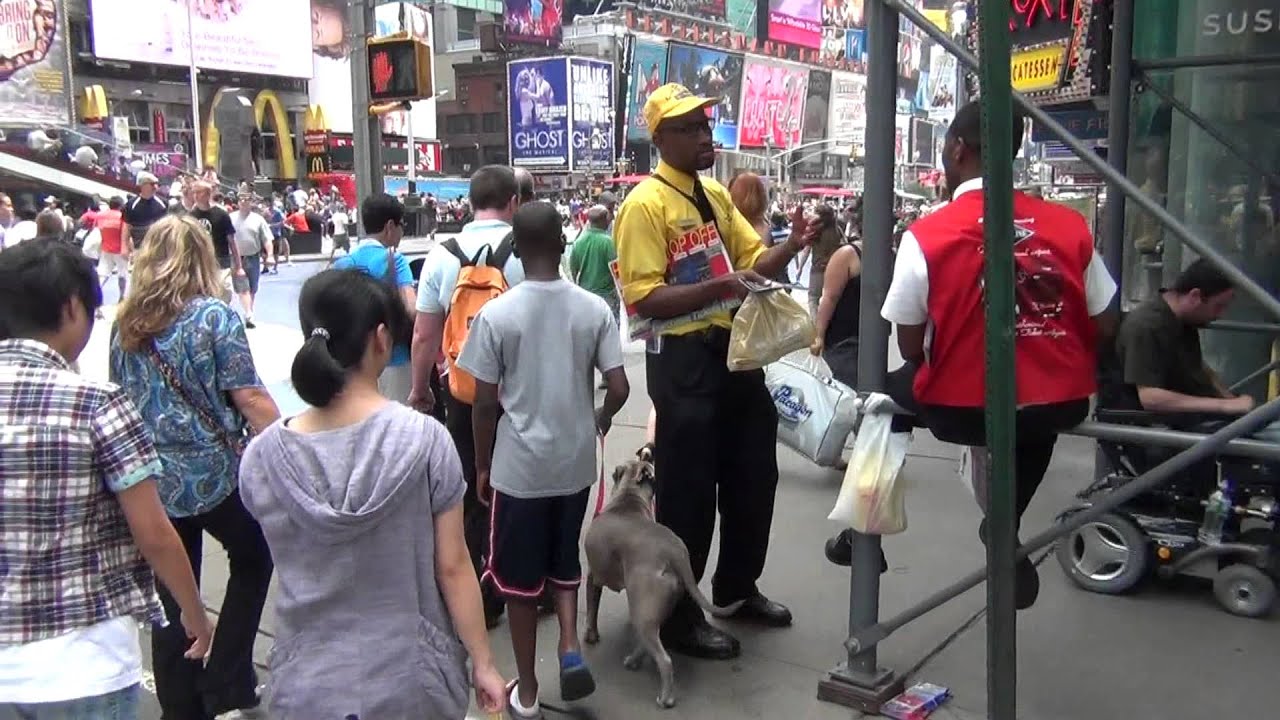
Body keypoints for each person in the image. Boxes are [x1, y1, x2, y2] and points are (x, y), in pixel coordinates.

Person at [877, 100, 1117, 609]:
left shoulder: (926, 236)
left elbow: (909, 345)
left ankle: (863, 524)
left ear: (957, 149)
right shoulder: (1069, 226)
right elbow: (1104, 322)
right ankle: (1005, 526)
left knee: (880, 400)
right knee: (1032, 419)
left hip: (961, 408)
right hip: (1058, 401)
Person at [237, 269, 506, 719]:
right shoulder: (425, 441)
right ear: (381, 338)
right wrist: (484, 663)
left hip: (305, 686)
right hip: (412, 681)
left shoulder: (261, 459)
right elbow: (454, 567)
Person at [613, 83, 813, 660]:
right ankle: (679, 616)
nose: (706, 136)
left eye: (706, 125)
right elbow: (643, 297)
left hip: (734, 355)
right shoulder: (645, 205)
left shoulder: (716, 196)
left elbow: (754, 263)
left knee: (754, 477)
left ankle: (737, 587)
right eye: (692, 128)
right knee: (689, 494)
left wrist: (792, 246)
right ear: (661, 139)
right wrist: (722, 285)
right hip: (683, 361)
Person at [0, 240, 213, 720]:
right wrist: (193, 613)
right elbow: (154, 532)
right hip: (83, 661)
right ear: (72, 308)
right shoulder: (97, 403)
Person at [459, 201, 629, 718]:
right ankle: (570, 644)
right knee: (563, 556)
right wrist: (598, 419)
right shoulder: (593, 309)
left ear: (515, 247)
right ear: (562, 245)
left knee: (517, 581)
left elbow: (483, 403)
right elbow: (619, 387)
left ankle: (529, 692)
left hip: (520, 469)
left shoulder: (496, 314)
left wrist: (482, 465)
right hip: (575, 464)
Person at [109, 215, 280, 719]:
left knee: (170, 588)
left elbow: (119, 399)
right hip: (214, 473)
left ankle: (181, 704)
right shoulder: (214, 317)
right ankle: (227, 675)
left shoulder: (125, 324)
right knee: (254, 557)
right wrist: (288, 442)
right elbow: (248, 396)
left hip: (152, 480)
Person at [409, 166, 527, 627]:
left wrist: (420, 388)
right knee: (512, 485)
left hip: (460, 388)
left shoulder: (442, 255)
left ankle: (473, 583)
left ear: (471, 203)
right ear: (514, 202)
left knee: (466, 483)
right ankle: (512, 581)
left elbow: (425, 334)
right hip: (516, 393)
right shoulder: (525, 249)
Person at [1115, 259, 1261, 420]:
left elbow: (1199, 367)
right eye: (1218, 306)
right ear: (1195, 296)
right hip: (1162, 424)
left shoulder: (1183, 320)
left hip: (1192, 417)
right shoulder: (1146, 326)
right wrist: (1224, 406)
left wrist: (1229, 400)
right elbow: (1150, 397)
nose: (1219, 315)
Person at [334, 193, 418, 400]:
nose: (402, 232)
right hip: (394, 358)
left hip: (355, 363)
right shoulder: (395, 261)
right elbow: (412, 309)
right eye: (401, 225)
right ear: (390, 226)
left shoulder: (342, 264)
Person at [188, 181, 244, 301]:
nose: (196, 195)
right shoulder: (191, 216)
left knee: (224, 293)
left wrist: (239, 266)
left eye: (199, 192)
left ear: (208, 194)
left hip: (221, 261)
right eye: (194, 192)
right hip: (200, 262)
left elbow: (232, 241)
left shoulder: (221, 214)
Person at [569, 205, 619, 321]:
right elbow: (616, 270)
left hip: (586, 296)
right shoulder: (608, 242)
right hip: (607, 297)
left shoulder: (578, 243)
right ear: (603, 220)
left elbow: (573, 269)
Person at [231, 192, 273, 328]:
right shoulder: (230, 218)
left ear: (251, 202)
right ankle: (249, 313)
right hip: (236, 258)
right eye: (241, 199)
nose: (243, 201)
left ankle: (249, 311)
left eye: (247, 199)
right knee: (243, 288)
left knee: (252, 288)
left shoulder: (258, 220)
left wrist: (270, 255)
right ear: (238, 202)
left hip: (253, 257)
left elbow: (267, 239)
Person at [804, 204, 845, 316]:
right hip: (834, 268)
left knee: (813, 298)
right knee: (832, 298)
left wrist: (800, 268)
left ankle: (815, 322)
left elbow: (807, 250)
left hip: (818, 268)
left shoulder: (815, 231)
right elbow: (845, 245)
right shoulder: (837, 230)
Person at [122, 172, 168, 251]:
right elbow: (127, 226)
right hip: (138, 246)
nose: (155, 187)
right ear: (142, 185)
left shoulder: (163, 203)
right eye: (152, 184)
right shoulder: (131, 204)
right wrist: (124, 247)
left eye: (156, 184)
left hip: (157, 246)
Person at [95, 197, 129, 300]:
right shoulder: (123, 217)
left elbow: (97, 229)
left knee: (102, 273)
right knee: (122, 274)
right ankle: (122, 296)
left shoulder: (100, 215)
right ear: (121, 206)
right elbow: (126, 233)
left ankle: (96, 294)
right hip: (121, 249)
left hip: (105, 248)